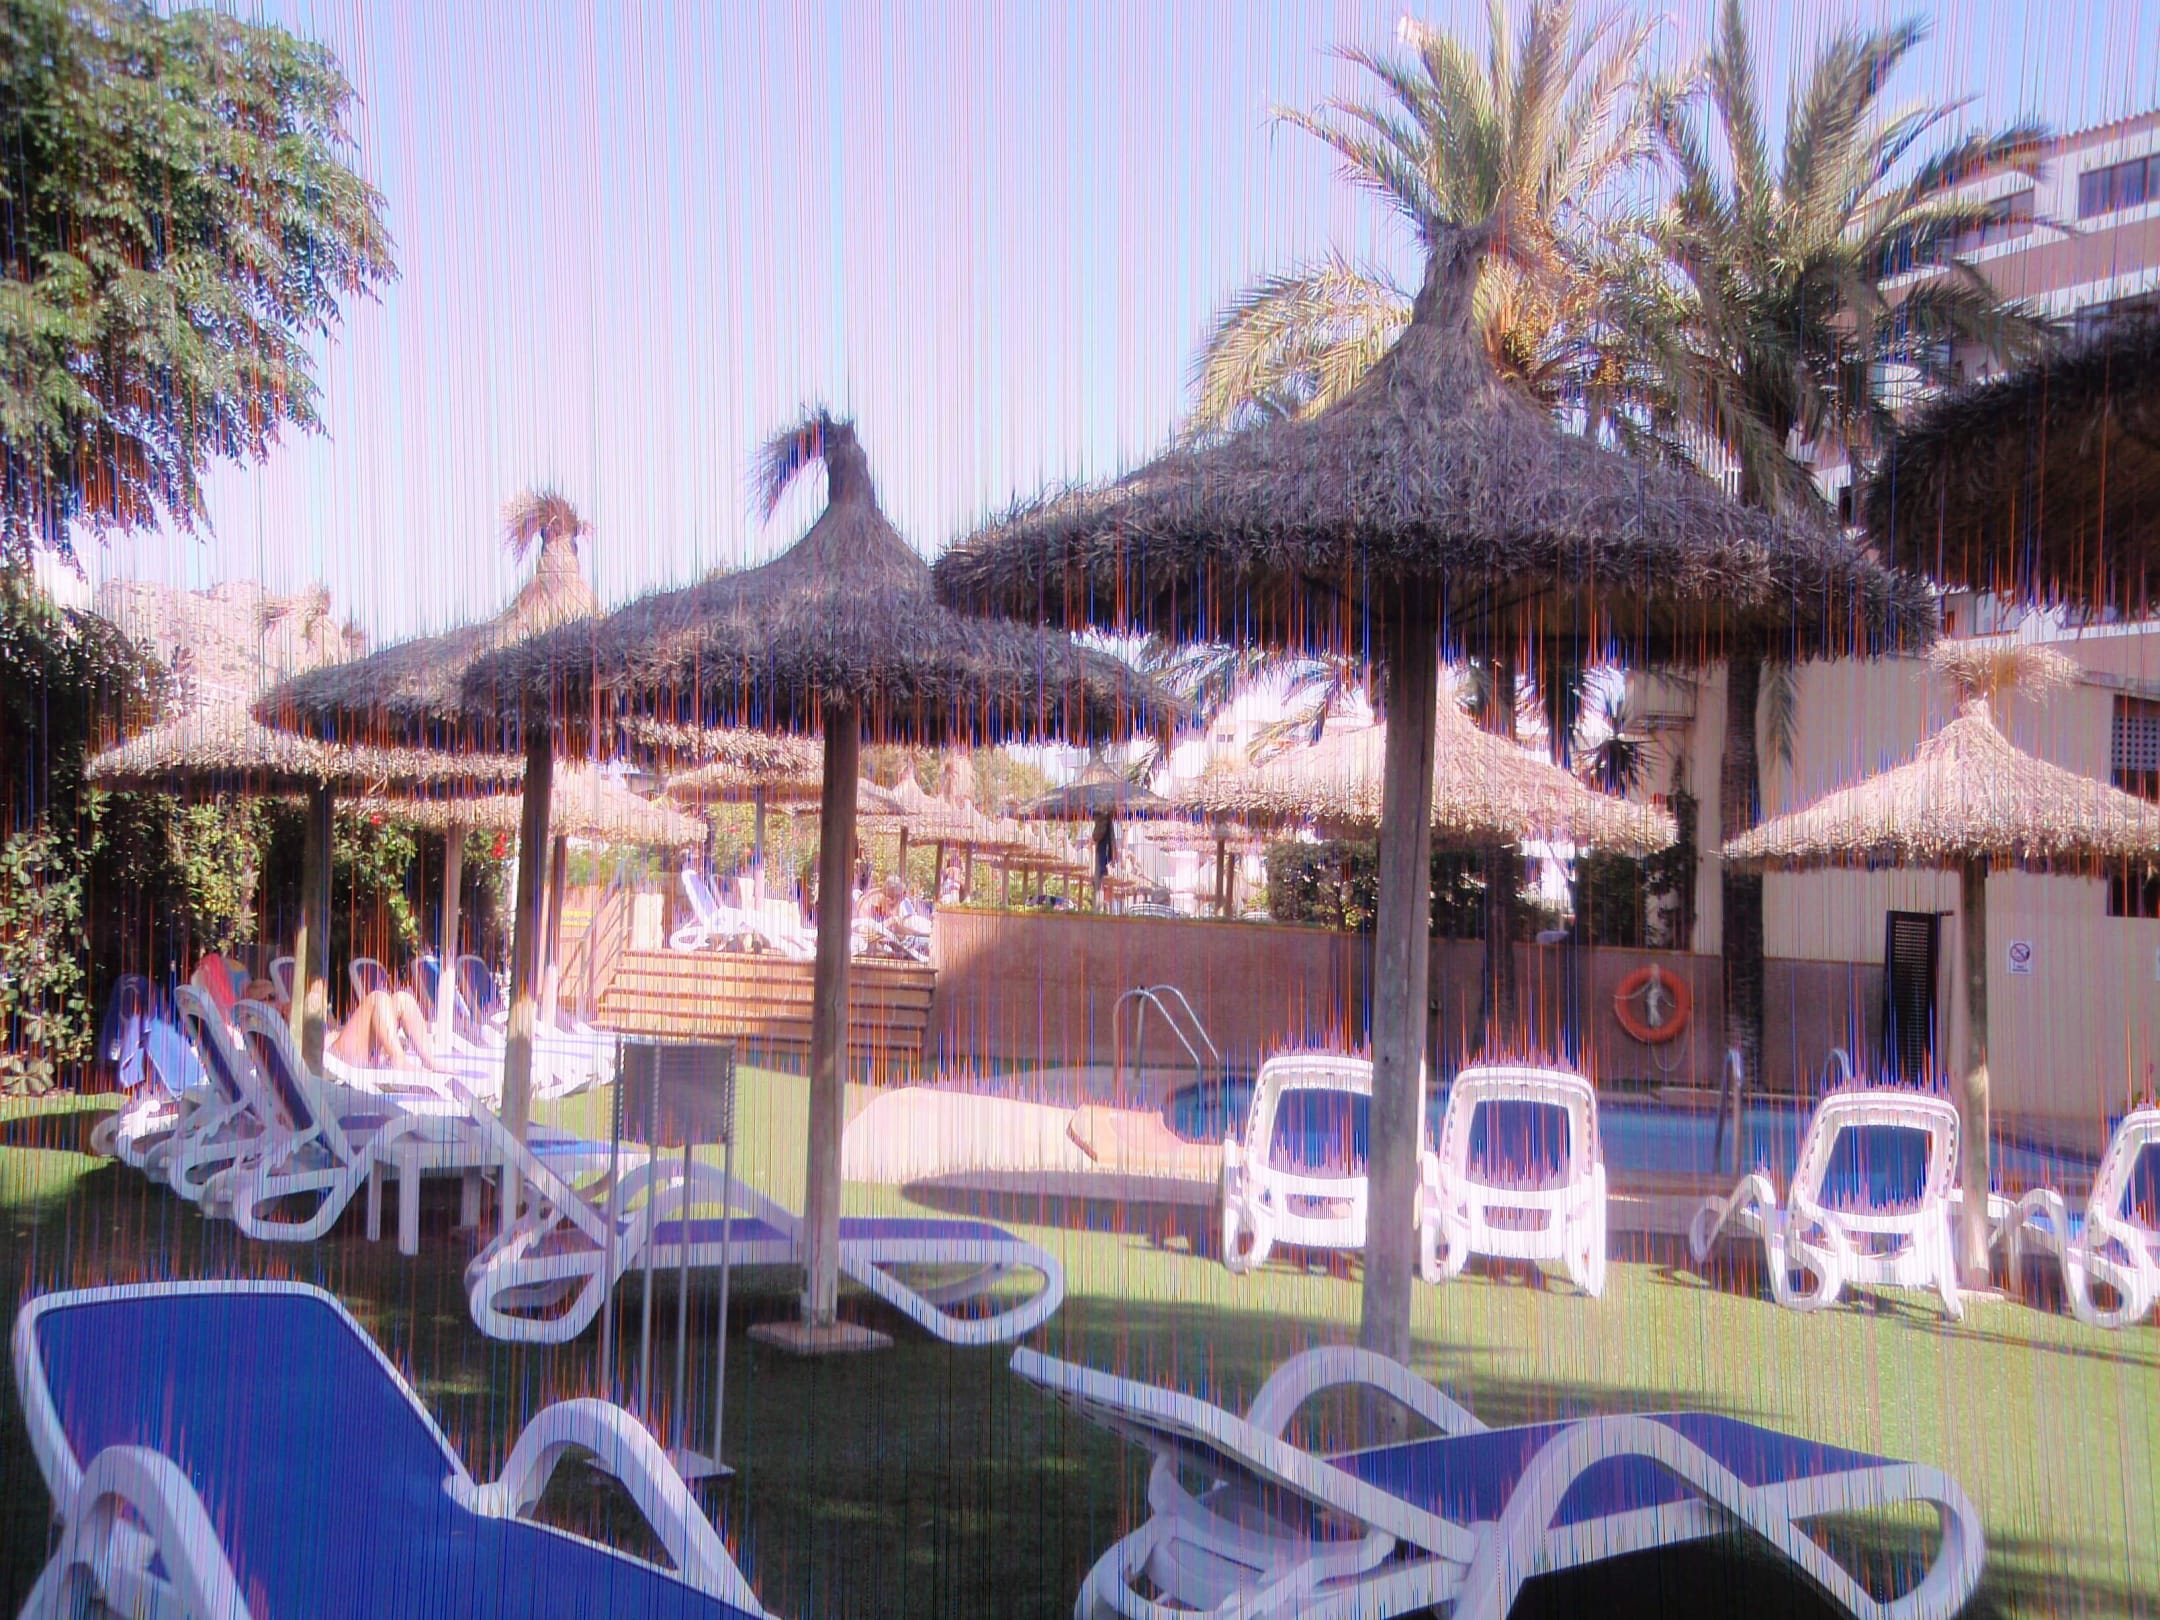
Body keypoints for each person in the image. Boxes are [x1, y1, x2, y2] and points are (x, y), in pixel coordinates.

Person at [330, 987, 445, 1072]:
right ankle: (399, 1060)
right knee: (377, 998)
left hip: (355, 1048)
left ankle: (429, 1060)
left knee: (403, 999)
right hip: (335, 1056)